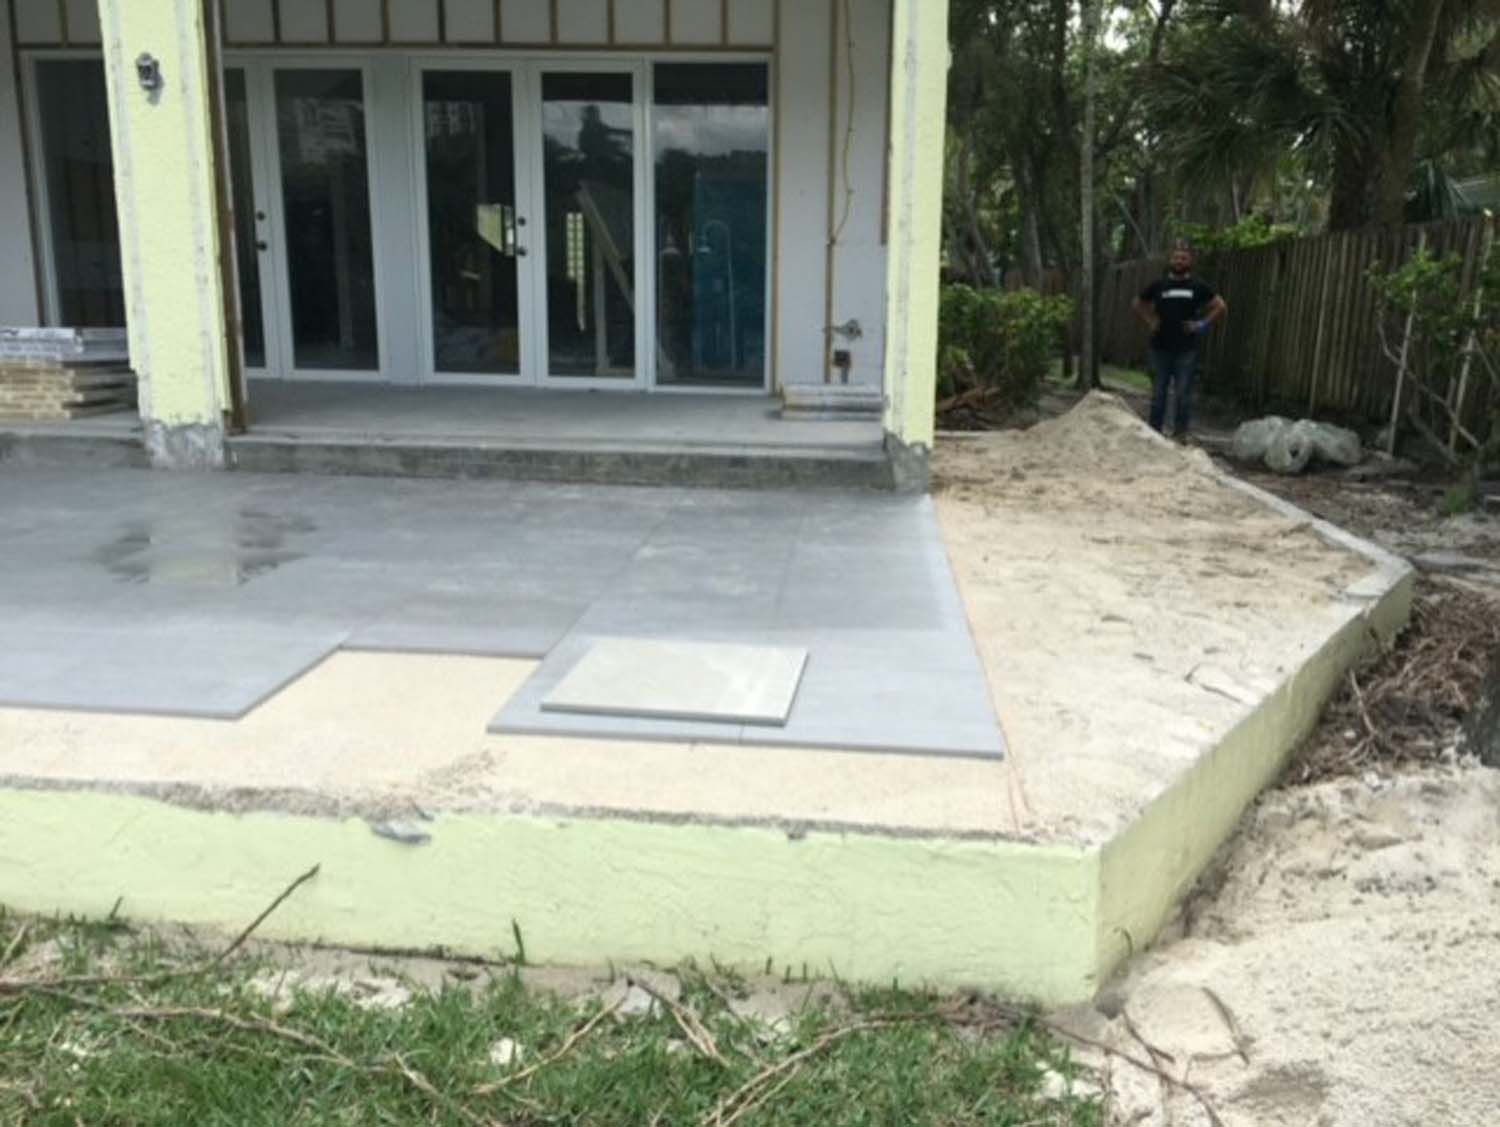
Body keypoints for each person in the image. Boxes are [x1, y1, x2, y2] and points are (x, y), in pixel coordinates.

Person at [1131, 242, 1228, 439]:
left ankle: (1180, 435)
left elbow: (1221, 306)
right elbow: (1137, 303)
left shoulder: (1198, 286)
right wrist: (1150, 320)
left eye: (1183, 258)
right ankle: (1154, 434)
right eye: (1176, 258)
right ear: (1170, 260)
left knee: (1183, 395)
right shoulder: (1159, 285)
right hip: (1160, 347)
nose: (1179, 261)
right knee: (1158, 394)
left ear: (1190, 261)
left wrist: (1202, 324)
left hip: (1186, 349)